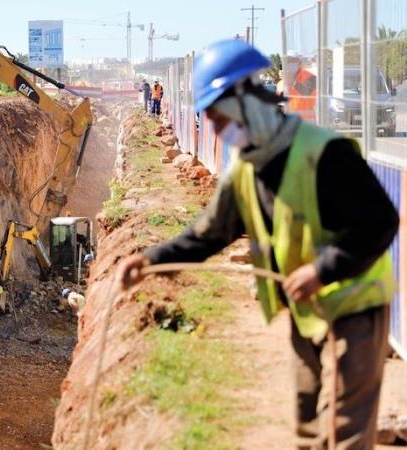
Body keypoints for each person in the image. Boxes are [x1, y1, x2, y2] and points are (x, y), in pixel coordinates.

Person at [117, 39, 398, 450]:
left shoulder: (327, 154)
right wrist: (150, 260)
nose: (214, 126)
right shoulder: (246, 170)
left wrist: (322, 271)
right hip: (305, 311)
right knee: (307, 424)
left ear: (246, 100)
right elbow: (208, 235)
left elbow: (380, 222)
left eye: (217, 115)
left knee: (343, 432)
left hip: (353, 305)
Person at [285, 52, 317, 122]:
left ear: (299, 62)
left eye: (292, 60)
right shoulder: (282, 82)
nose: (289, 63)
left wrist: (292, 81)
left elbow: (306, 93)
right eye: (287, 61)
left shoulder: (311, 77)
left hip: (307, 123)